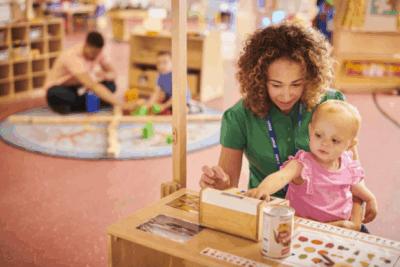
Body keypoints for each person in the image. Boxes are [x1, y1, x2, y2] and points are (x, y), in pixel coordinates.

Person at [199, 21, 376, 230]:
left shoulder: (332, 105)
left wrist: (354, 224)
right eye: (276, 85)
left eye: (296, 84)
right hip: (269, 214)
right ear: (259, 79)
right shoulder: (239, 116)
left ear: (310, 78)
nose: (286, 95)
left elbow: (351, 172)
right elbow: (229, 186)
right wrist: (220, 185)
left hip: (335, 217)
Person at [246, 100, 378, 230]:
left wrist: (371, 199)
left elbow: (357, 187)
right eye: (319, 135)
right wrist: (263, 189)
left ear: (350, 144)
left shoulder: (348, 165)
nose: (325, 143)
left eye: (335, 140)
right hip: (304, 229)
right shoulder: (303, 164)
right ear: (310, 131)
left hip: (341, 228)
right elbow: (281, 176)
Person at [45, 31, 136, 114]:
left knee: (111, 85)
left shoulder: (98, 53)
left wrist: (105, 76)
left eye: (97, 53)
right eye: (92, 53)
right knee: (57, 94)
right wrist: (121, 104)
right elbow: (92, 85)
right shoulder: (72, 56)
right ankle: (88, 103)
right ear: (86, 45)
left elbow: (113, 73)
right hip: (62, 87)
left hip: (81, 86)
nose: (95, 56)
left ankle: (80, 104)